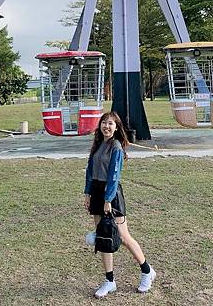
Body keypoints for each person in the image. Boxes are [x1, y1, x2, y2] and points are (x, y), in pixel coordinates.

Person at [84, 111, 156, 298]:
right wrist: (87, 192)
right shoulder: (98, 144)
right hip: (97, 193)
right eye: (104, 123)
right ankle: (109, 281)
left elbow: (114, 176)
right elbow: (90, 170)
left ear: (116, 128)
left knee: (123, 236)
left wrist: (108, 200)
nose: (106, 126)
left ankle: (147, 271)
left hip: (111, 195)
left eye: (110, 124)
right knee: (103, 238)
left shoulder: (115, 147)